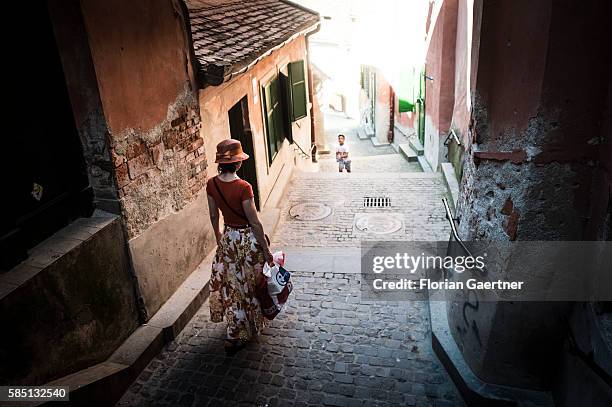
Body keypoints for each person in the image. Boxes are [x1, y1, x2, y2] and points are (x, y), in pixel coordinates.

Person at [206, 139, 274, 355]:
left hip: (228, 238)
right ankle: (247, 325)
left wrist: (220, 239)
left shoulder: (211, 184)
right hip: (246, 240)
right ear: (237, 163)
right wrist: (265, 249)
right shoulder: (244, 187)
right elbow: (254, 222)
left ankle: (236, 328)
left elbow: (213, 215)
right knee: (251, 284)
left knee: (233, 285)